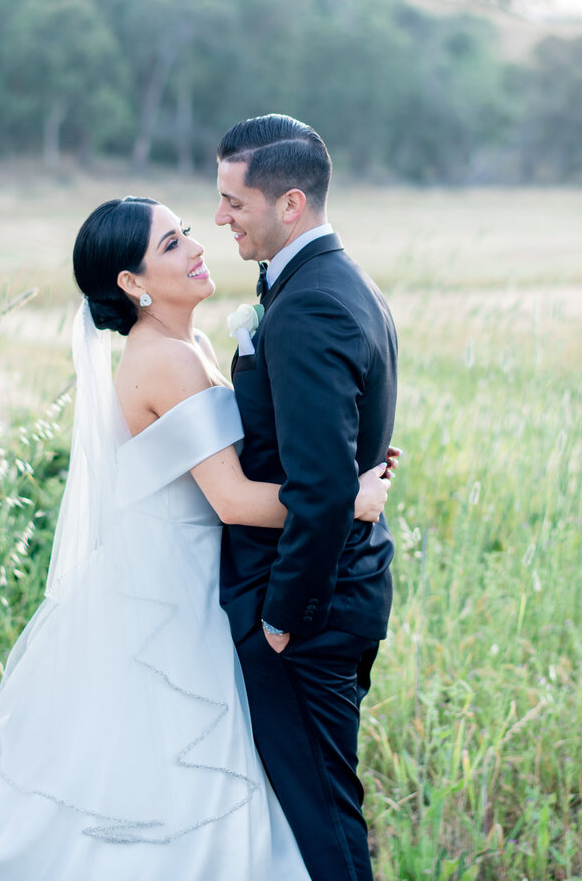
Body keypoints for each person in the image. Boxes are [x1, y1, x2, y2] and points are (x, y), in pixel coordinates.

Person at [0, 195, 395, 880]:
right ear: (132, 283)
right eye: (172, 244)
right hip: (164, 597)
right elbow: (236, 499)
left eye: (187, 232)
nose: (195, 246)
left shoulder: (196, 346)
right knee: (160, 780)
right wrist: (348, 497)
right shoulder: (163, 362)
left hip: (193, 578)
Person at [215, 114, 398, 881]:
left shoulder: (310, 303)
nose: (221, 216)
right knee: (316, 809)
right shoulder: (334, 280)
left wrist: (283, 620)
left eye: (234, 201)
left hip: (306, 612)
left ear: (290, 204)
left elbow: (322, 488)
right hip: (344, 589)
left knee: (322, 821)